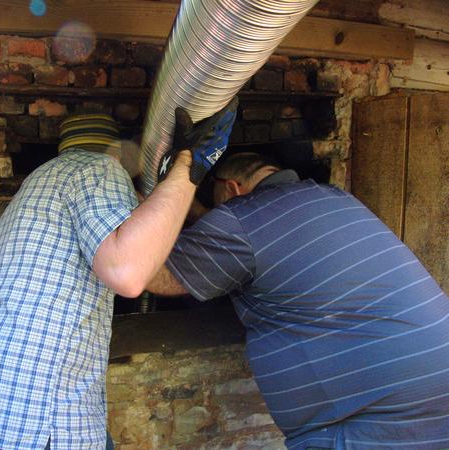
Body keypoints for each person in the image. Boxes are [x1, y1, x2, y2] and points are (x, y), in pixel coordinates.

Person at [0, 102, 238, 450]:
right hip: (25, 413)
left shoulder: (45, 179)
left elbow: (140, 226)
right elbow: (129, 272)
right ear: (116, 150)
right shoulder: (99, 170)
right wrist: (188, 166)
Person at [148, 151, 449, 449]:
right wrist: (199, 210)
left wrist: (136, 213)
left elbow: (153, 275)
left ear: (231, 188)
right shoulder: (333, 197)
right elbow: (240, 243)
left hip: (372, 416)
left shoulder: (239, 220)